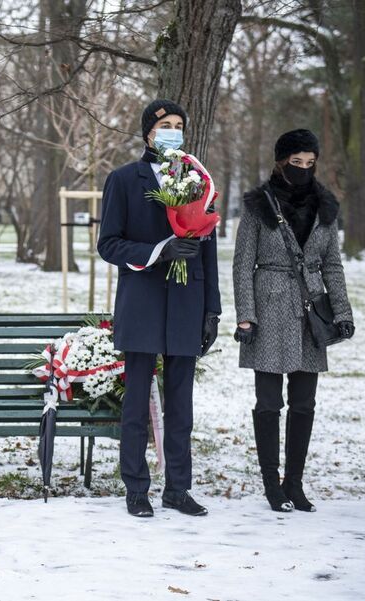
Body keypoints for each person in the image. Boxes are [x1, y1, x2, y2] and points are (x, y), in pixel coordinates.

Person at [97, 99, 220, 518]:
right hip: (143, 301)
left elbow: (209, 251)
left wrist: (212, 311)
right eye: (164, 124)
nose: (172, 130)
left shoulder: (197, 181)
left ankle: (178, 488)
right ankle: (136, 487)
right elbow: (108, 244)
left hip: (188, 303)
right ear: (148, 132)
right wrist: (159, 250)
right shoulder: (123, 180)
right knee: (135, 404)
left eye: (178, 124)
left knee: (180, 406)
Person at [233, 129, 354, 513]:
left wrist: (343, 312)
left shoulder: (325, 206)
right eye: (295, 162)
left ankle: (294, 484)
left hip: (310, 312)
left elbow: (332, 264)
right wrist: (246, 316)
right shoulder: (258, 206)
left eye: (309, 162)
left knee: (304, 403)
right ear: (281, 161)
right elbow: (241, 264)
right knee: (269, 403)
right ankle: (271, 484)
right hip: (268, 308)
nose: (303, 169)